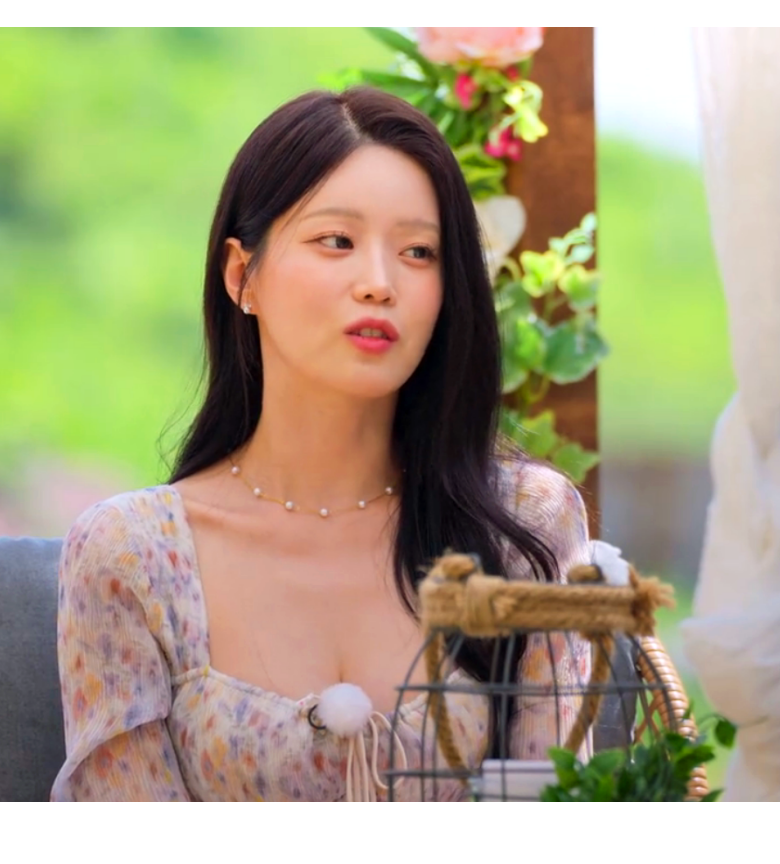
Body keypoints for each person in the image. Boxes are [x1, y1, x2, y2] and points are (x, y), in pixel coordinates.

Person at [50, 86, 592, 802]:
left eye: (419, 252)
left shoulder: (525, 522)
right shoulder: (131, 555)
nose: (379, 284)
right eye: (336, 241)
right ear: (242, 276)